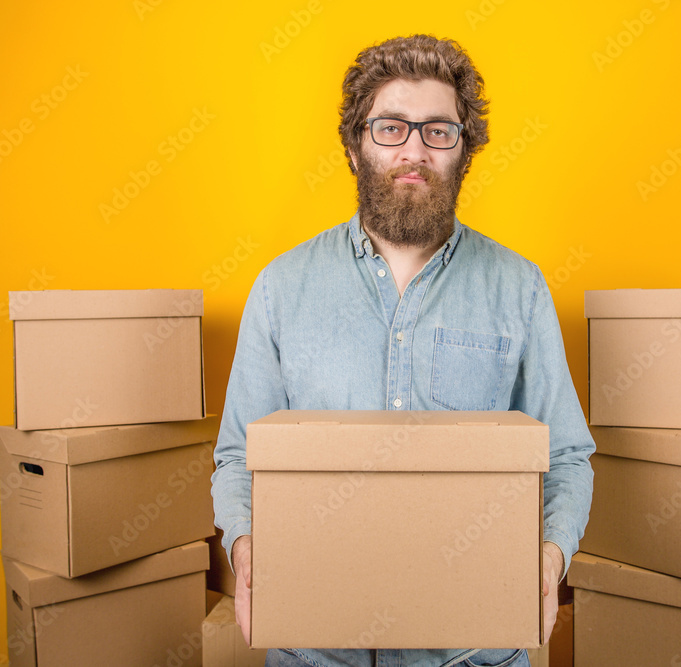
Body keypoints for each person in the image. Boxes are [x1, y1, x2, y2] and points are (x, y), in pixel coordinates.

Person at [211, 34, 594, 667]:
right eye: (390, 128)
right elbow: (236, 455)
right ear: (355, 147)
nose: (413, 150)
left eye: (439, 131)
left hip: (474, 652)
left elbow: (568, 455)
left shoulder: (517, 286)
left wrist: (549, 557)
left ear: (463, 152)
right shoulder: (282, 286)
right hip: (317, 652)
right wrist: (246, 545)